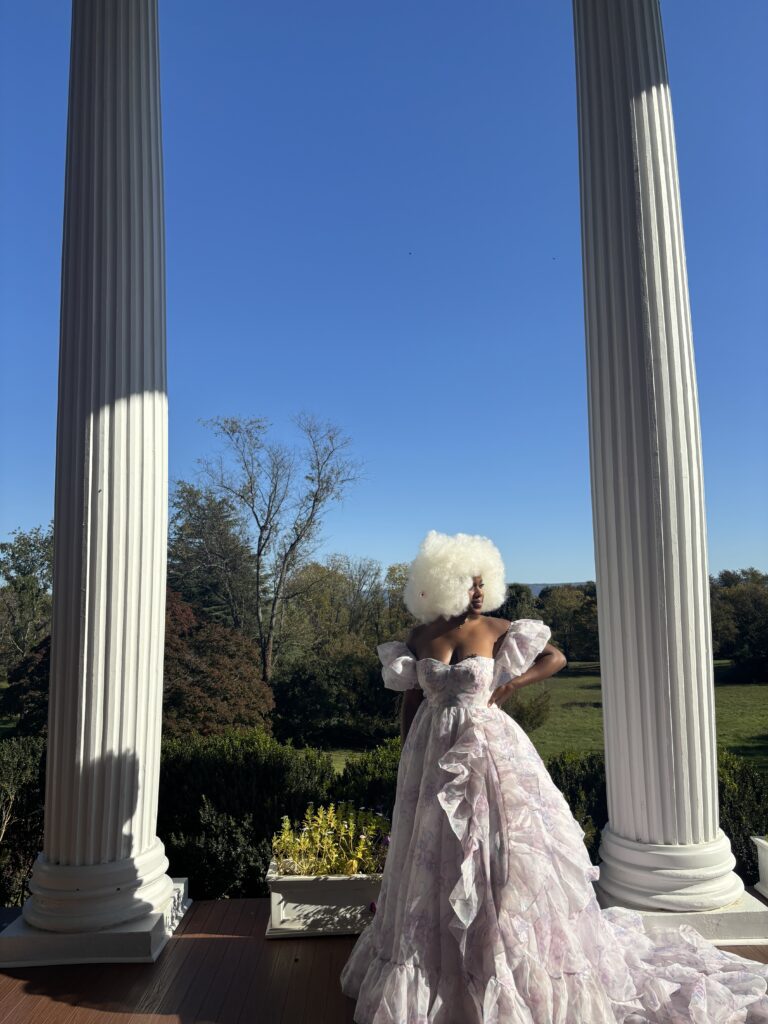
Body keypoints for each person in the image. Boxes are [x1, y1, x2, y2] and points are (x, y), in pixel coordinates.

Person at [339, 530, 768, 1023]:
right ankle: (440, 966)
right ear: (440, 584)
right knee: (435, 855)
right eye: (467, 581)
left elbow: (554, 657)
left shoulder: (500, 628)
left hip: (489, 751)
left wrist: (509, 684)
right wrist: (406, 755)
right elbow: (411, 699)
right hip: (431, 753)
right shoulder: (419, 638)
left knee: (497, 852)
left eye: (483, 581)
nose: (477, 591)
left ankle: (497, 960)